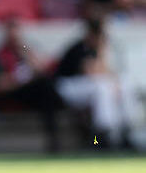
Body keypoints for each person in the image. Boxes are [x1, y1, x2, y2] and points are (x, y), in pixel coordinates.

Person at [55, 16, 141, 148]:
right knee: (102, 88)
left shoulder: (101, 48)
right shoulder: (79, 48)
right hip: (67, 86)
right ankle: (101, 136)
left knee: (124, 84)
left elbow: (110, 72)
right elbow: (91, 72)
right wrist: (102, 51)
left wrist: (115, 83)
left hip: (86, 86)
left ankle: (125, 131)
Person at [0, 18, 64, 152]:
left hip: (32, 91)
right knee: (46, 88)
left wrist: (27, 54)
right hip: (13, 94)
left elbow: (42, 69)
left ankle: (55, 136)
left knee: (46, 86)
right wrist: (18, 79)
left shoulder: (25, 51)